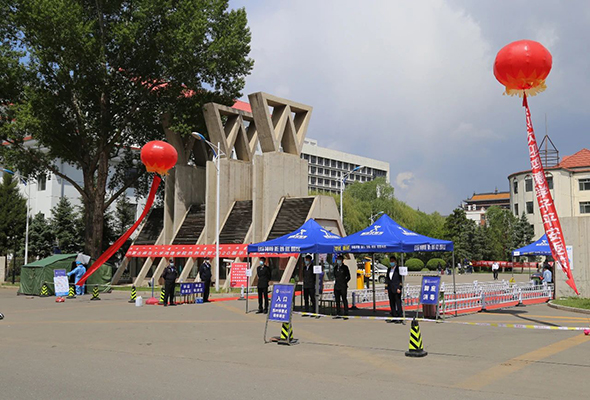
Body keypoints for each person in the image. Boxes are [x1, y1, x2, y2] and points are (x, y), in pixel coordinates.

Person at [385, 255, 403, 323]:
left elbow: (401, 279)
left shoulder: (398, 269)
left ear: (395, 262)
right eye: (390, 261)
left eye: (392, 261)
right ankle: (394, 315)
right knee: (392, 303)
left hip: (396, 289)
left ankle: (400, 317)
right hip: (390, 288)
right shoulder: (389, 269)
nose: (391, 262)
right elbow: (387, 279)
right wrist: (386, 288)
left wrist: (399, 287)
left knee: (398, 303)